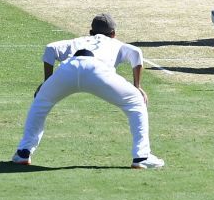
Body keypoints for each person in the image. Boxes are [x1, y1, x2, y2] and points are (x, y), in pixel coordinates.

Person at [12, 13, 165, 169]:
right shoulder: (116, 43)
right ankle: (142, 157)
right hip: (98, 70)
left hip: (69, 68)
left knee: (41, 103)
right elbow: (136, 53)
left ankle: (24, 152)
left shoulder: (77, 41)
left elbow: (50, 49)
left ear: (90, 32)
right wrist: (137, 86)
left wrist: (47, 83)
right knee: (136, 102)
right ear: (113, 34)